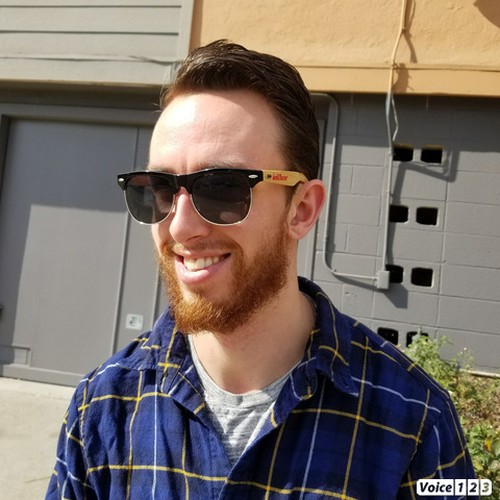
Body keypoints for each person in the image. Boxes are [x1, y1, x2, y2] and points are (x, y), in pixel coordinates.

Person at [47, 40, 476, 499]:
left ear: (302, 209)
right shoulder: (101, 406)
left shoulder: (418, 420)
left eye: (222, 187)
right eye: (160, 188)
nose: (181, 226)